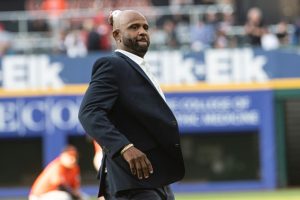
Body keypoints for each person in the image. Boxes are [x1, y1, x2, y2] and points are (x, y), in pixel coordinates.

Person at [78, 9, 185, 200]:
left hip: (156, 180)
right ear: (117, 35)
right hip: (131, 181)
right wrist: (124, 147)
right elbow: (89, 112)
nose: (142, 31)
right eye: (134, 27)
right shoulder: (112, 65)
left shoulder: (138, 68)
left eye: (145, 27)